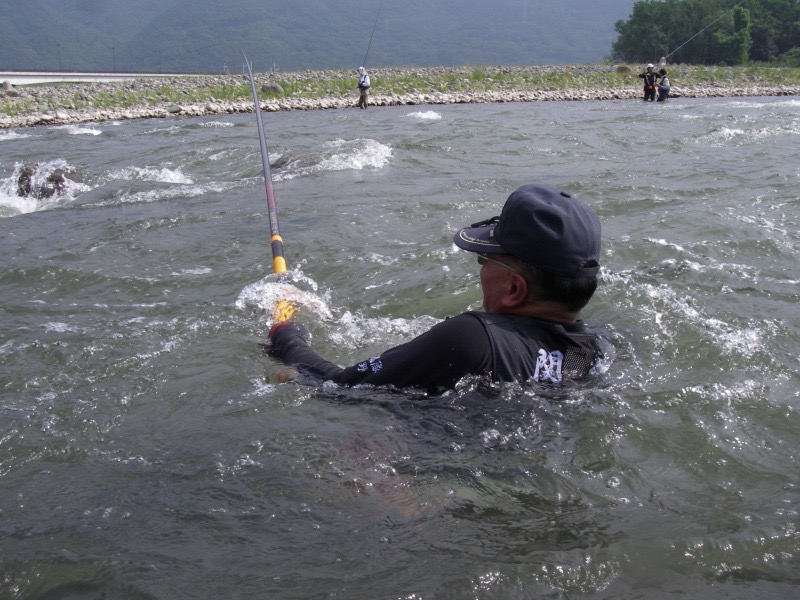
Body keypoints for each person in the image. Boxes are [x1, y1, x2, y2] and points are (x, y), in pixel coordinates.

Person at [266, 184, 605, 393]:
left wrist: (285, 336)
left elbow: (340, 387)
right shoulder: (591, 352)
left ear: (515, 289)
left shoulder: (473, 338)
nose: (481, 270)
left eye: (485, 260)